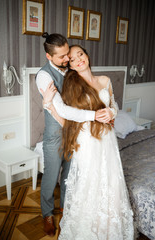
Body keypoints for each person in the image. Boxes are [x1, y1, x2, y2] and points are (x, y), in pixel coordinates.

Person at [44, 45, 134, 239]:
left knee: (111, 184)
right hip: (87, 142)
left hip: (108, 141)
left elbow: (113, 105)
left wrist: (112, 112)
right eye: (73, 59)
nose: (79, 60)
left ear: (87, 56)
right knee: (89, 186)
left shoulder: (105, 80)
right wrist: (49, 104)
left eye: (81, 54)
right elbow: (67, 117)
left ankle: (109, 229)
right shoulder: (72, 85)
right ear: (71, 65)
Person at [36, 33, 110, 237]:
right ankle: (47, 214)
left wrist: (108, 110)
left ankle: (66, 210)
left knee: (70, 176)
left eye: (67, 53)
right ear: (49, 57)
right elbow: (63, 111)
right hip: (55, 135)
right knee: (51, 178)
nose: (67, 59)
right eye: (62, 56)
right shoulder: (44, 76)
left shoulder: (71, 69)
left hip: (76, 133)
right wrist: (94, 115)